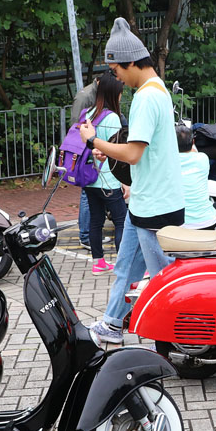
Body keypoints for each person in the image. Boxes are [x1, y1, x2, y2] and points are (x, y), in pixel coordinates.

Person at [78, 17, 184, 345]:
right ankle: (112, 323)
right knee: (125, 268)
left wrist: (94, 141)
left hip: (155, 207)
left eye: (116, 70)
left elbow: (135, 153)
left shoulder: (146, 98)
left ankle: (182, 335)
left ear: (131, 62)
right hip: (147, 203)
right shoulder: (156, 91)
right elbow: (137, 153)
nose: (116, 78)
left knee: (166, 279)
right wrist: (108, 150)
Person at [81, 71, 128, 275]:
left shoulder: (88, 114)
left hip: (90, 178)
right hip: (109, 179)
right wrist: (126, 183)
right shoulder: (113, 119)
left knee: (96, 221)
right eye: (119, 92)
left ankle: (98, 263)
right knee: (121, 221)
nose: (121, 96)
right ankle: (123, 265)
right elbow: (116, 153)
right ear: (112, 93)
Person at [71, 76, 109, 249]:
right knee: (88, 191)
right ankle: (85, 235)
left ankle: (90, 234)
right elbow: (75, 126)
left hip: (94, 146)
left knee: (93, 191)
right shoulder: (85, 95)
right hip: (86, 149)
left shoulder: (99, 92)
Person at [176, 125, 216, 232]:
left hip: (175, 225)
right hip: (205, 224)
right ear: (193, 142)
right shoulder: (202, 159)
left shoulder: (165, 163)